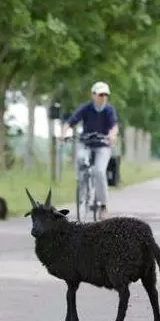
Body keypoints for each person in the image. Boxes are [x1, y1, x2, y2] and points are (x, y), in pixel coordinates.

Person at [60, 81, 119, 219]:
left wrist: (112, 135)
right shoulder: (86, 108)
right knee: (80, 159)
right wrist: (63, 133)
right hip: (86, 143)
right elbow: (71, 121)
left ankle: (103, 205)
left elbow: (114, 126)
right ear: (93, 95)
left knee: (99, 171)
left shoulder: (109, 110)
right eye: (100, 94)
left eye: (105, 95)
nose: (103, 97)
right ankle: (82, 184)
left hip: (102, 145)